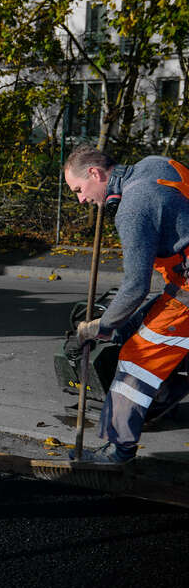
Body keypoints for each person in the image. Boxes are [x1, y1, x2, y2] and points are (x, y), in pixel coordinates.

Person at [65, 143, 189, 464]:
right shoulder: (157, 164)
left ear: (95, 172)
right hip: (180, 284)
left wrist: (101, 326)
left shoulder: (133, 207)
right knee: (134, 325)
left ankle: (118, 450)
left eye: (79, 189)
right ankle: (163, 396)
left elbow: (136, 286)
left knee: (136, 358)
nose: (81, 199)